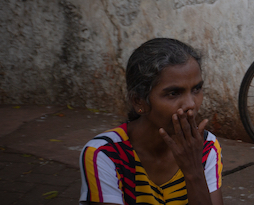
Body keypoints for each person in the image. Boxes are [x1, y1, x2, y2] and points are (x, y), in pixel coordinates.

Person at [79, 38, 223, 205]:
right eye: (174, 93)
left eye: (196, 89)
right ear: (139, 101)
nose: (191, 104)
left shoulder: (205, 146)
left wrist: (194, 172)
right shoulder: (105, 153)